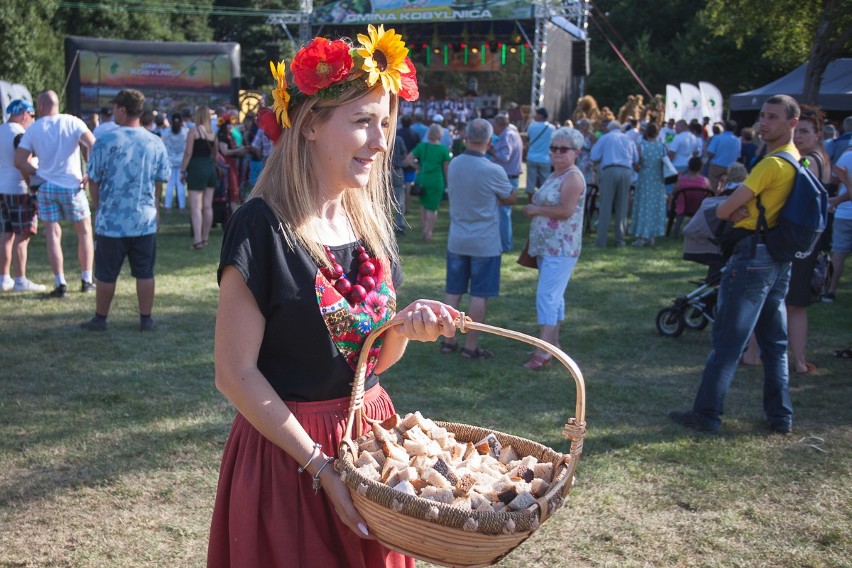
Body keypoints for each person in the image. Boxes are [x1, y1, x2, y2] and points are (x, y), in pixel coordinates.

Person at [208, 27, 458, 567]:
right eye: (364, 121)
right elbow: (234, 373)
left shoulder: (368, 223)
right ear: (312, 124)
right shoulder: (261, 225)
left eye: (386, 123)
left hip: (371, 449)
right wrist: (320, 466)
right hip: (289, 458)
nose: (383, 140)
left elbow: (371, 361)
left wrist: (403, 330)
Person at [669, 94, 802, 435]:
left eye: (773, 117)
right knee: (775, 344)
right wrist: (742, 202)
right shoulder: (793, 158)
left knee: (729, 341)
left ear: (792, 122)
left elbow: (725, 210)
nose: (764, 122)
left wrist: (737, 203)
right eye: (762, 116)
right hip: (775, 257)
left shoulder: (771, 164)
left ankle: (706, 414)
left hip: (753, 258)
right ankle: (780, 416)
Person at [81, 89, 170, 332]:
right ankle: (146, 319)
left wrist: (100, 207)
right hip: (144, 220)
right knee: (145, 272)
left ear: (122, 109)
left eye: (114, 109)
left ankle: (100, 319)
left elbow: (94, 179)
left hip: (111, 221)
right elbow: (160, 180)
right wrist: (156, 207)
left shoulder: (106, 141)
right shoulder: (155, 141)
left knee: (106, 274)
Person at [439, 119, 514, 360]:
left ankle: (448, 340)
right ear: (490, 141)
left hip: (458, 238)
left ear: (465, 138)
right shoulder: (493, 170)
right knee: (479, 294)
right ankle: (470, 346)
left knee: (453, 291)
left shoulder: (455, 164)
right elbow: (510, 197)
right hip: (485, 242)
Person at [15, 90, 96, 298]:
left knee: (52, 233)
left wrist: (37, 172)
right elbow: (94, 144)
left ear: (41, 107)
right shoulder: (73, 122)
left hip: (46, 186)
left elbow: (19, 160)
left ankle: (60, 283)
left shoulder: (33, 130)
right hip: (72, 185)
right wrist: (90, 172)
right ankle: (87, 280)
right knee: (84, 231)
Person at [522, 127, 586, 369]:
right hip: (548, 247)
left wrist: (536, 210)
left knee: (547, 297)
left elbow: (566, 211)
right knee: (554, 298)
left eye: (563, 149)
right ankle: (553, 343)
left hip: (561, 248)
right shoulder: (557, 174)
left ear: (576, 152)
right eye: (554, 148)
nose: (557, 153)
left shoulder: (573, 177)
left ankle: (544, 349)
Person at [784, 105, 832, 373]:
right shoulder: (820, 157)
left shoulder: (808, 161)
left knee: (789, 301)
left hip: (802, 239)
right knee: (795, 303)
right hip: (810, 238)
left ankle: (794, 360)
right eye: (796, 131)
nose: (798, 136)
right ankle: (797, 360)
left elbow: (800, 192)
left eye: (804, 131)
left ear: (817, 134)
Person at [0, 99, 45, 292]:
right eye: (32, 116)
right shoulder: (20, 134)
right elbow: (23, 162)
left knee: (5, 235)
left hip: (2, 189)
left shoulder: (1, 130)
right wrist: (33, 190)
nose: (32, 120)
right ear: (25, 114)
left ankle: (4, 278)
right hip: (19, 189)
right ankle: (20, 280)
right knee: (22, 235)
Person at [589, 120, 638, 247]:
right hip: (626, 171)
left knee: (605, 205)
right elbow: (636, 158)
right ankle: (619, 240)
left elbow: (594, 156)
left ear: (609, 128)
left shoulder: (605, 138)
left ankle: (601, 241)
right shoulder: (628, 139)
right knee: (622, 206)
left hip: (609, 169)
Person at [180, 106, 218, 250]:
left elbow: (188, 153)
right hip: (210, 169)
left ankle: (197, 240)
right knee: (208, 206)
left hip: (196, 168)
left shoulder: (194, 131)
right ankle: (205, 238)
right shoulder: (212, 132)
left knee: (196, 207)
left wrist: (183, 170)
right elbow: (215, 154)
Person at [408, 123, 450, 242]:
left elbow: (408, 159)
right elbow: (446, 169)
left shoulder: (422, 146)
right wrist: (449, 183)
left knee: (423, 206)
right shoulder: (443, 149)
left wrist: (417, 166)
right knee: (432, 208)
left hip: (423, 179)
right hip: (437, 181)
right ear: (440, 135)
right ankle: (428, 232)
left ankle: (424, 230)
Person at [823, 147, 852, 303]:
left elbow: (833, 178)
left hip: (844, 212)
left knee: (839, 253)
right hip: (844, 208)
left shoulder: (847, 155)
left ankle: (830, 290)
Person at [631, 122, 667, 247]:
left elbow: (637, 164)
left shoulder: (642, 146)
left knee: (643, 206)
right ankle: (652, 235)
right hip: (657, 180)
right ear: (657, 133)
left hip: (645, 179)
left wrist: (639, 168)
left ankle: (641, 236)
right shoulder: (662, 147)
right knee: (654, 207)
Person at [490, 114, 522, 252]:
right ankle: (504, 244)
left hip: (507, 177)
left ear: (499, 125)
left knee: (503, 213)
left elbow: (505, 156)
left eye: (494, 126)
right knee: (503, 212)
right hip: (510, 176)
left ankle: (505, 246)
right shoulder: (513, 133)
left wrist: (491, 151)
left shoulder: (506, 135)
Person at [671, 157, 711, 237]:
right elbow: (710, 193)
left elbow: (674, 192)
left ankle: (675, 232)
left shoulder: (680, 180)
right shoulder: (705, 181)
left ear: (689, 166)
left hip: (683, 207)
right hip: (699, 207)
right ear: (700, 167)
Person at [525, 107, 554, 201]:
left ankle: (531, 201)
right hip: (545, 158)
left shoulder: (532, 126)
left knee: (530, 182)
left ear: (541, 115)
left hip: (532, 157)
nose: (535, 115)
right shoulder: (552, 128)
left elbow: (527, 140)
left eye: (537, 114)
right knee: (545, 182)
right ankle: (544, 201)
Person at [160, 112, 188, 211]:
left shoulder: (166, 132)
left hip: (170, 160)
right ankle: (182, 207)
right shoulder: (185, 131)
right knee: (181, 184)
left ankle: (167, 206)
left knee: (170, 184)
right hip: (181, 160)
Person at [706, 120, 742, 193]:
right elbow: (738, 155)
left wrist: (708, 160)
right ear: (735, 129)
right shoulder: (737, 140)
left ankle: (712, 199)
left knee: (712, 186)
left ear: (724, 127)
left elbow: (711, 152)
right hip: (730, 167)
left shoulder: (717, 138)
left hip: (716, 165)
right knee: (727, 187)